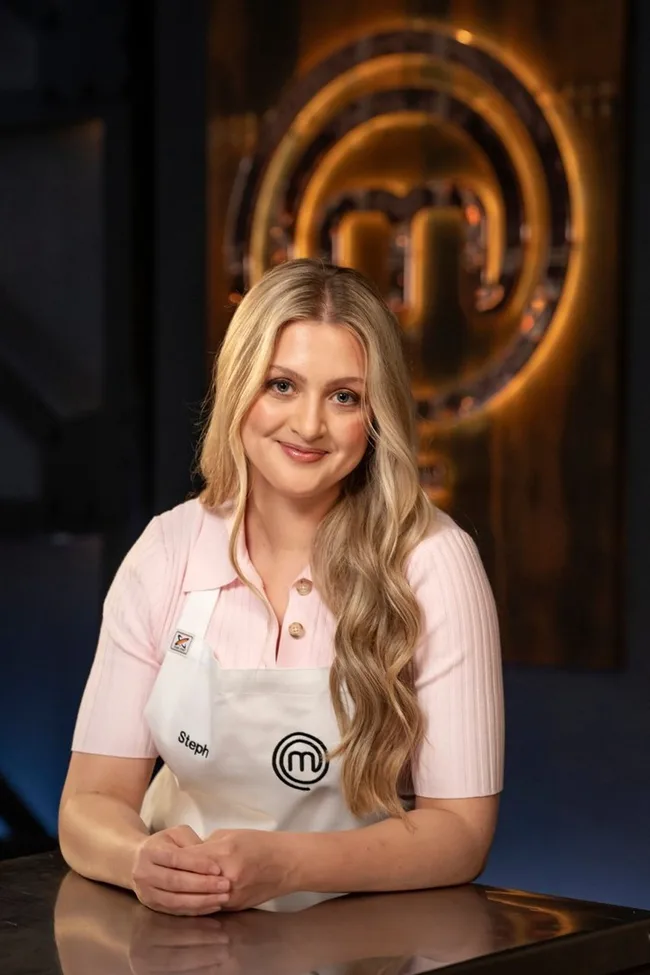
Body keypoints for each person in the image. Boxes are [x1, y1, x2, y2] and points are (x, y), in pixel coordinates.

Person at [59, 258, 504, 916]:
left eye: (344, 396)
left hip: (365, 946)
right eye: (283, 385)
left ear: (375, 415)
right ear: (240, 387)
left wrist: (285, 863)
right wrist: (140, 861)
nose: (309, 425)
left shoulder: (435, 561)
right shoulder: (167, 549)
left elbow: (460, 833)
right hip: (183, 939)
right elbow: (88, 804)